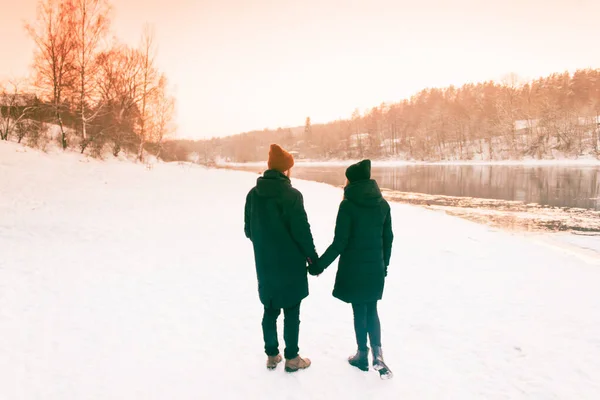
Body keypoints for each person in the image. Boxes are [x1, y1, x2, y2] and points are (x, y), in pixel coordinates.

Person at [310, 159, 394, 376]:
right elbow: (388, 239)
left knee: (359, 310)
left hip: (355, 269)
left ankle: (361, 355)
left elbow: (340, 242)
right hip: (375, 267)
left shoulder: (348, 205)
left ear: (351, 181)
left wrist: (319, 265)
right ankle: (378, 355)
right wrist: (384, 265)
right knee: (372, 309)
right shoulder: (383, 204)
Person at [244, 144, 318, 372]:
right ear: (286, 170)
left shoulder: (253, 195)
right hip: (290, 264)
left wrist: (265, 245)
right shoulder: (292, 195)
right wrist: (312, 258)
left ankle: (272, 354)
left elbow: (249, 230)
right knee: (292, 312)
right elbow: (301, 231)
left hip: (265, 263)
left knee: (270, 308)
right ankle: (292, 358)